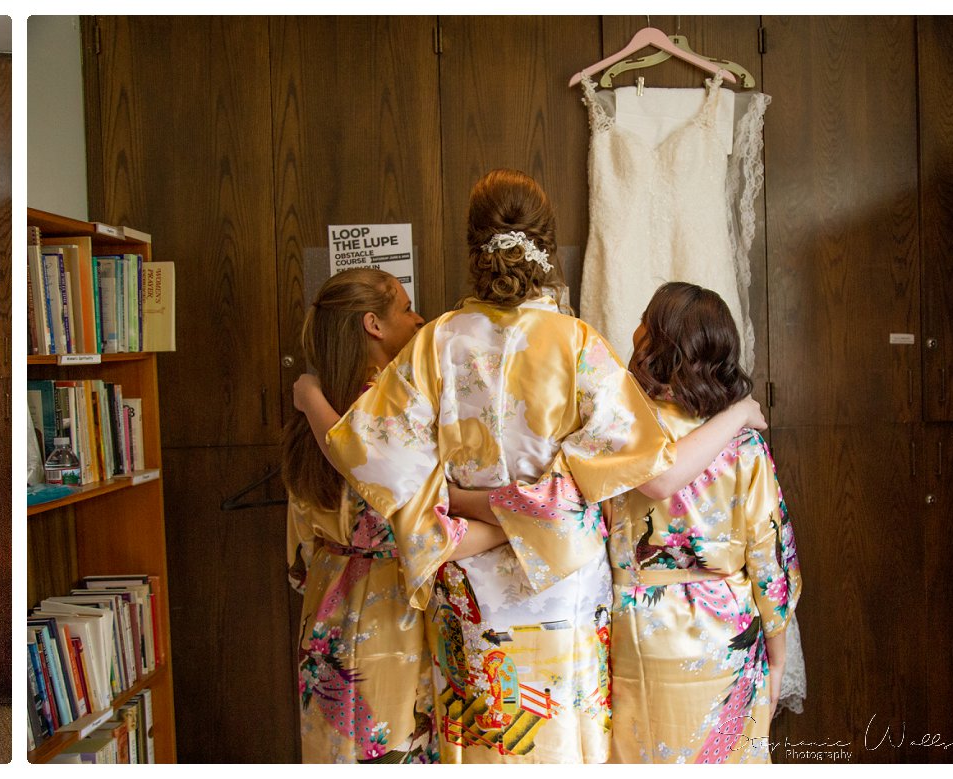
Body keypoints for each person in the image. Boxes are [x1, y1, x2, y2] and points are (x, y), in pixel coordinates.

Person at [294, 169, 764, 763]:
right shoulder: (576, 345)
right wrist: (536, 505)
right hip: (560, 589)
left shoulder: (434, 343)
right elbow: (653, 468)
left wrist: (454, 505)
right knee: (562, 743)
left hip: (468, 586)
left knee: (479, 742)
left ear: (473, 249)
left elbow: (373, 454)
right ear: (546, 244)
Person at [283, 268, 510, 763]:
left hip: (325, 601)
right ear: (373, 325)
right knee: (388, 748)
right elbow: (425, 531)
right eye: (405, 308)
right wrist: (510, 529)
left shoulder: (314, 408)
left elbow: (299, 550)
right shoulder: (389, 413)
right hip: (386, 611)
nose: (418, 318)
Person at [602, 282, 801, 763]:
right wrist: (777, 661)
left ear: (656, 341)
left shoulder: (619, 432)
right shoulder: (744, 446)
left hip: (638, 630)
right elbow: (770, 558)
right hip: (724, 636)